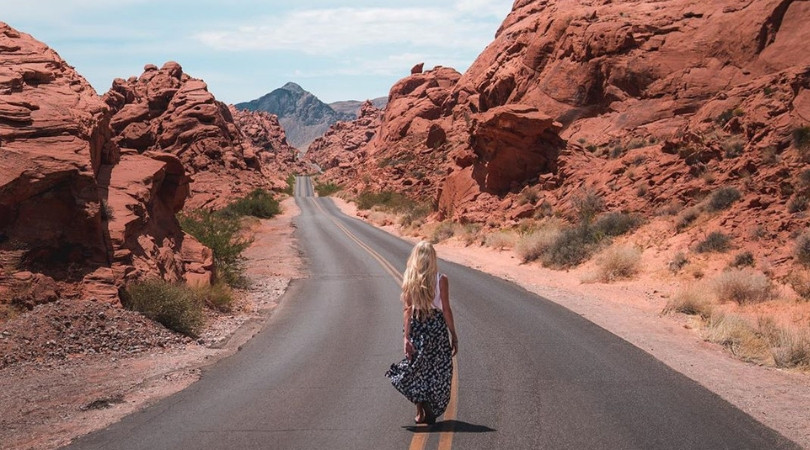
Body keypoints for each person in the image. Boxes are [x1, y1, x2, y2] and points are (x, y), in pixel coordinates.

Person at [385, 241, 458, 425]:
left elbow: (407, 310)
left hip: (417, 324)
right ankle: (431, 406)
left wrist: (406, 337)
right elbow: (446, 309)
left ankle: (420, 411)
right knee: (438, 368)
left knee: (417, 367)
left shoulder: (410, 277)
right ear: (433, 258)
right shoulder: (441, 279)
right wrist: (453, 334)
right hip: (436, 327)